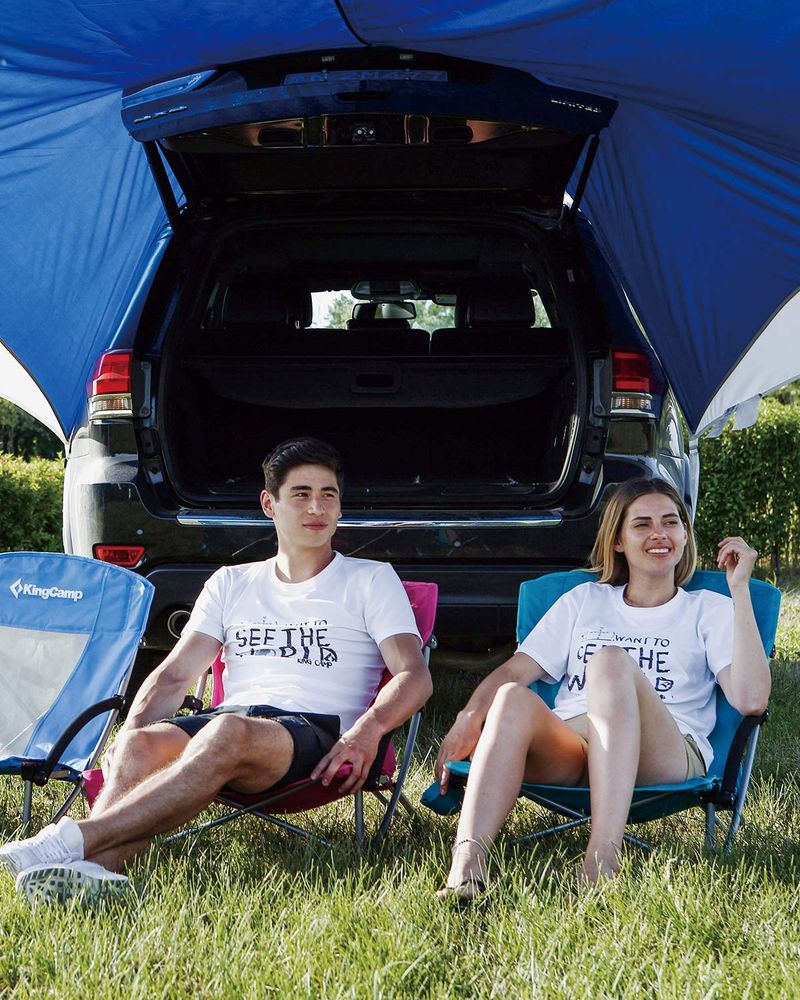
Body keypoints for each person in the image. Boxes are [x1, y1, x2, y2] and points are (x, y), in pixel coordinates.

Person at [1, 437, 432, 904]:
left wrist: (368, 731)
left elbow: (414, 675)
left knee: (226, 731)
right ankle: (93, 872)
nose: (317, 508)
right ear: (269, 504)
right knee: (142, 741)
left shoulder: (370, 579)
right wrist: (131, 733)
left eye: (328, 495)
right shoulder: (231, 582)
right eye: (301, 494)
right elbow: (174, 675)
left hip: (317, 733)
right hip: (229, 724)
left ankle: (70, 840)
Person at [434, 477, 770, 898]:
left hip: (663, 751)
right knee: (511, 698)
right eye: (642, 524)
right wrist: (468, 717)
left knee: (610, 661)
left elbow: (752, 700)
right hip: (574, 747)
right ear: (617, 541)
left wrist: (740, 591)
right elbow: (512, 673)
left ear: (685, 535)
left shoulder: (708, 610)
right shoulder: (584, 601)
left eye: (671, 522)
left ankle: (602, 859)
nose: (659, 534)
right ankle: (468, 865)